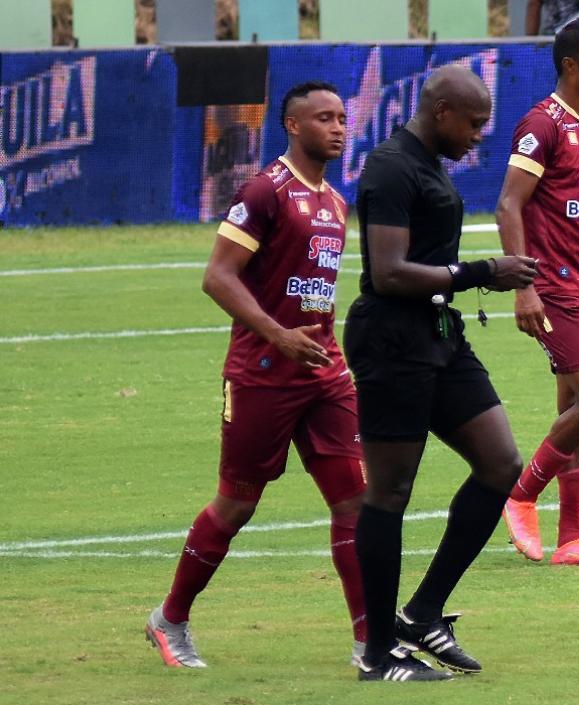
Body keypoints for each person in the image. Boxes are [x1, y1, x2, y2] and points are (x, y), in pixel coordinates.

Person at [145, 82, 368, 667]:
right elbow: (218, 276)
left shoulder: (335, 202)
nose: (338, 128)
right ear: (293, 125)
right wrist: (278, 335)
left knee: (355, 503)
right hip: (262, 375)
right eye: (324, 119)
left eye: (342, 118)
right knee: (236, 505)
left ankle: (369, 643)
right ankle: (170, 619)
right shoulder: (265, 191)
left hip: (323, 374)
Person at [346, 65, 539, 682]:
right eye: (474, 123)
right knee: (390, 492)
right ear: (440, 112)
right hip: (391, 340)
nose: (479, 136)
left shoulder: (428, 164)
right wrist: (482, 272)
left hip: (438, 332)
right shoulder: (390, 167)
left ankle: (422, 613)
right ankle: (378, 654)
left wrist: (475, 277)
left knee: (501, 463)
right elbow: (388, 273)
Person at [495, 18, 579, 566]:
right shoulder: (541, 124)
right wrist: (524, 288)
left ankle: (573, 540)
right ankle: (521, 495)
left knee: (578, 408)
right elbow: (508, 205)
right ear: (570, 66)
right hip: (553, 288)